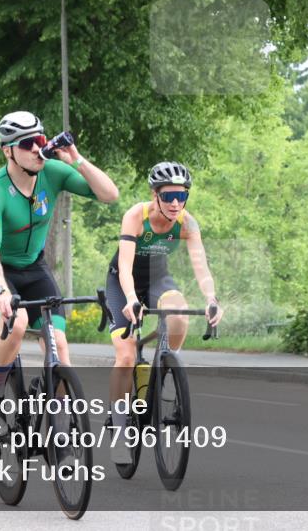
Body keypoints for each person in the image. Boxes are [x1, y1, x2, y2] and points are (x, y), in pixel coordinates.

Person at [0, 111, 118, 424]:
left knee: (59, 345)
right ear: (8, 150)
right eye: (28, 143)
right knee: (17, 322)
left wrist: (75, 159)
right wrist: (0, 291)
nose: (39, 148)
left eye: (41, 139)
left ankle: (59, 429)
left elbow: (110, 195)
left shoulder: (52, 172)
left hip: (34, 268)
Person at [103, 161, 223, 464]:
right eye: (168, 196)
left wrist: (211, 298)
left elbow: (201, 268)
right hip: (123, 282)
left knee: (179, 314)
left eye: (181, 197)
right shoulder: (136, 216)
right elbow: (126, 268)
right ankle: (119, 429)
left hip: (159, 279)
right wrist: (131, 300)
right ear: (154, 194)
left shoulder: (187, 223)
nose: (175, 203)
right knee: (127, 355)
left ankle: (166, 368)